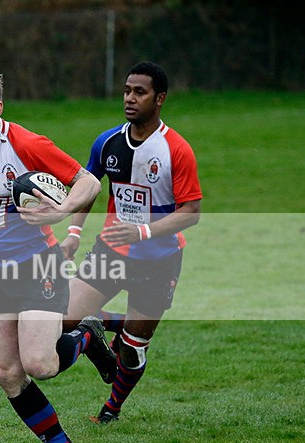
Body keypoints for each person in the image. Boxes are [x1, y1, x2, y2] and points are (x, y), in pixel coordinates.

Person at [0, 68, 117, 443]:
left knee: (40, 364)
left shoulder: (27, 144)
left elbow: (88, 182)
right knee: (7, 372)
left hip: (40, 268)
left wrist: (62, 209)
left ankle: (87, 334)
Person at [60, 61, 202, 424]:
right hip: (111, 251)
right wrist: (74, 233)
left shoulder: (176, 149)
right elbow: (87, 188)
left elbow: (191, 212)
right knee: (62, 319)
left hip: (159, 261)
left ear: (160, 99)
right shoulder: (108, 142)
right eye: (127, 90)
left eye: (140, 92)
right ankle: (92, 334)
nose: (130, 98)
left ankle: (112, 409)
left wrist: (143, 231)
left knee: (134, 350)